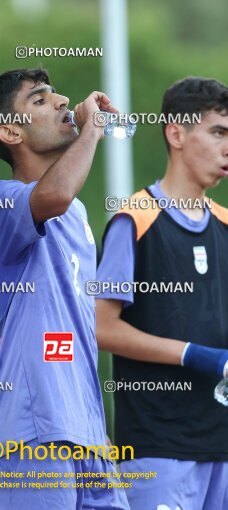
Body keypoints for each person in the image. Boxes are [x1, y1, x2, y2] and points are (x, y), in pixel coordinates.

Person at [0, 68, 129, 510]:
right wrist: (93, 132)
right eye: (39, 100)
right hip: (31, 431)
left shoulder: (75, 213)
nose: (61, 101)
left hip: (89, 435)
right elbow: (53, 195)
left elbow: (63, 196)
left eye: (56, 94)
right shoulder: (1, 199)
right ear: (10, 132)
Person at [96, 76, 228, 510]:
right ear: (177, 133)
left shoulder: (226, 223)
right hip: (158, 449)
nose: (227, 146)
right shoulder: (134, 219)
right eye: (218, 132)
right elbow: (102, 328)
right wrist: (195, 354)